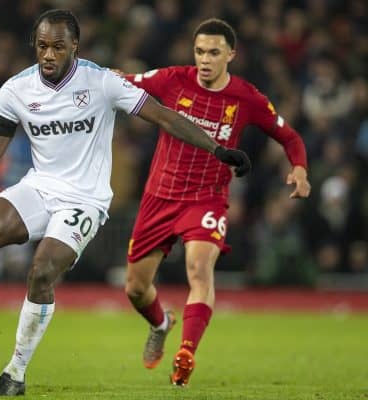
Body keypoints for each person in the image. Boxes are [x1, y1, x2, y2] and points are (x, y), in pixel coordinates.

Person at [0, 10, 250, 396]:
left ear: (74, 48)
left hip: (86, 199)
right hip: (40, 186)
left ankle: (16, 372)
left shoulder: (102, 83)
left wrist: (217, 149)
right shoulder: (16, 90)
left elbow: (164, 117)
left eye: (58, 47)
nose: (48, 54)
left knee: (42, 271)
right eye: (42, 46)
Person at [119, 18, 311, 386]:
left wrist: (299, 170)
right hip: (159, 197)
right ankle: (162, 323)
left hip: (206, 199)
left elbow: (289, 136)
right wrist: (99, 73)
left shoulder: (247, 98)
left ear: (231, 55)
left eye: (214, 53)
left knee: (198, 269)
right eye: (200, 52)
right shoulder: (173, 79)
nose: (205, 60)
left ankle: (186, 353)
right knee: (136, 288)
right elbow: (123, 82)